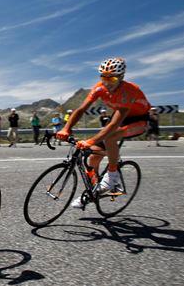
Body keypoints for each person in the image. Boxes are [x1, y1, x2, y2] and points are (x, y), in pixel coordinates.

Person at [56, 57, 150, 208]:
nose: (106, 82)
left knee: (110, 137)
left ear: (121, 77)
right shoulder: (99, 87)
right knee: (93, 157)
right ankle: (94, 191)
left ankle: (113, 175)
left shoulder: (129, 91)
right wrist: (66, 128)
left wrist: (90, 141)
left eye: (111, 78)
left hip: (138, 120)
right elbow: (81, 110)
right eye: (103, 77)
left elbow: (113, 124)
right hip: (119, 116)